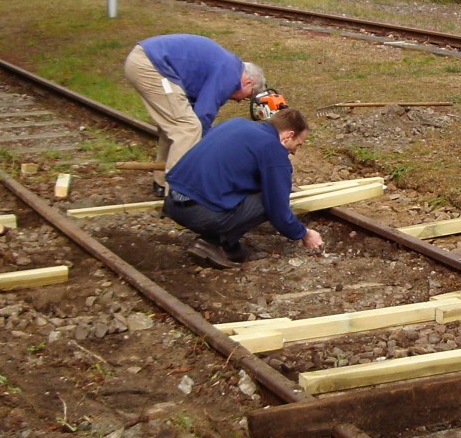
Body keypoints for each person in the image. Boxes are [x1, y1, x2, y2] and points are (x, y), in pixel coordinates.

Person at [162, 107, 324, 268]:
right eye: (298, 144)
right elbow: (278, 211)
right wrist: (304, 234)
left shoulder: (236, 123)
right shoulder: (273, 149)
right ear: (288, 135)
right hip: (198, 213)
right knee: (268, 201)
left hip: (172, 201)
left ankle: (230, 248)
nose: (295, 152)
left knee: (262, 191)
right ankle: (211, 244)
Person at [124, 34, 264, 197]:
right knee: (188, 128)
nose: (241, 101)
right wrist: (209, 147)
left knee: (175, 127)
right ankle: (177, 194)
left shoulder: (227, 66)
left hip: (146, 60)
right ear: (249, 82)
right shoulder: (230, 73)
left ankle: (161, 182)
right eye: (247, 96)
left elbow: (196, 107)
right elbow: (203, 114)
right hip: (151, 65)